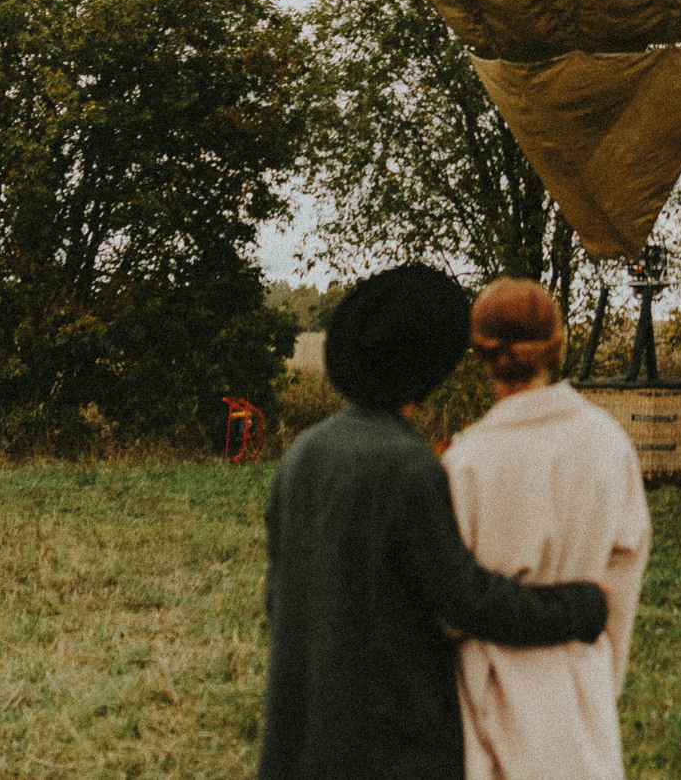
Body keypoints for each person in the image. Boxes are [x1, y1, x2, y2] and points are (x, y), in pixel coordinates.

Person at [260, 265, 610, 780]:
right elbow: (465, 600)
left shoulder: (301, 454)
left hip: (300, 732)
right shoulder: (408, 467)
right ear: (427, 370)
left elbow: (276, 597)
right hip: (390, 743)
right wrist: (582, 606)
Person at [443, 279, 651, 780]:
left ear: (481, 352)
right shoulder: (609, 443)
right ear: (556, 344)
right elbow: (622, 578)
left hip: (488, 695)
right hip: (580, 682)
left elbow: (447, 603)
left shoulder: (464, 462)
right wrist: (601, 677)